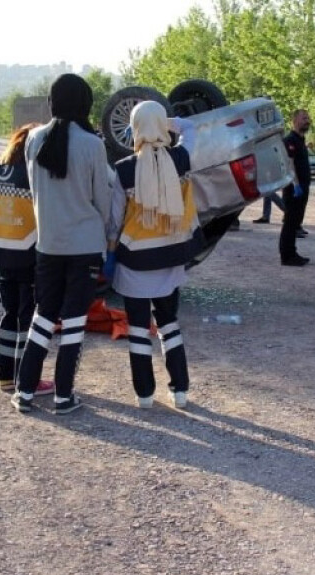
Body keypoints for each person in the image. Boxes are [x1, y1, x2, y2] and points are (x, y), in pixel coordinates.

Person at [12, 73, 114, 414]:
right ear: (84, 103)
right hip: (84, 245)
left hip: (48, 244)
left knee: (43, 317)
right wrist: (111, 236)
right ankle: (63, 395)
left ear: (52, 101)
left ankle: (24, 391)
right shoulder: (92, 144)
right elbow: (103, 198)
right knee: (73, 321)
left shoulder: (33, 139)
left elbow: (34, 188)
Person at [108, 101, 199, 408]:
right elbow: (191, 128)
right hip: (171, 256)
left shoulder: (122, 170)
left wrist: (109, 250)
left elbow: (113, 220)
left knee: (137, 328)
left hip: (135, 260)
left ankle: (145, 395)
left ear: (133, 129)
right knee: (169, 324)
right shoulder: (182, 159)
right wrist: (164, 121)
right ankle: (180, 391)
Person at [0, 124, 56, 397]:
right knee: (29, 319)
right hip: (27, 253)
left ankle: (6, 377)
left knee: (9, 314)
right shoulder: (33, 175)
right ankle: (28, 379)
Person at [279, 109, 313, 267]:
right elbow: (289, 163)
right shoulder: (290, 140)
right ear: (294, 121)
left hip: (303, 187)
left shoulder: (301, 140)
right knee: (290, 222)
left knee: (295, 222)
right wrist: (296, 185)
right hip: (294, 188)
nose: (307, 120)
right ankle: (287, 256)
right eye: (303, 118)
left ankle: (292, 252)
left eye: (308, 118)